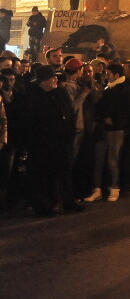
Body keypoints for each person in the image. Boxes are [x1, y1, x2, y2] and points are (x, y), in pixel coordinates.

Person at [25, 66, 83, 215]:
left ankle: (68, 201)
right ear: (43, 81)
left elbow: (69, 112)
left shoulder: (59, 92)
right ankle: (44, 205)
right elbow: (30, 122)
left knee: (63, 173)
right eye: (52, 78)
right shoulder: (32, 97)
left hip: (61, 141)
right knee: (42, 176)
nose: (55, 80)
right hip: (42, 143)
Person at [85, 63, 130, 202]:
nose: (106, 76)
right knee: (99, 159)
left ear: (116, 75)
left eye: (109, 73)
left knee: (112, 160)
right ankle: (97, 189)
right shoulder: (109, 88)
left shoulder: (125, 89)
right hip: (103, 128)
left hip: (115, 129)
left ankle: (114, 187)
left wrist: (115, 120)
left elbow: (128, 109)